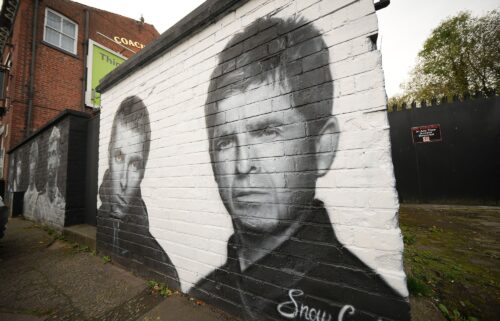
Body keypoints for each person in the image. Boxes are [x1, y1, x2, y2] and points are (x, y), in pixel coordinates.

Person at [189, 16, 411, 321]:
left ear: (322, 148)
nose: (242, 165)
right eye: (225, 141)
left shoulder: (371, 309)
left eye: (268, 132)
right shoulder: (203, 291)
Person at [98, 95, 180, 290]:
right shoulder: (99, 224)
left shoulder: (161, 267)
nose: (124, 181)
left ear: (143, 171)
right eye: (119, 157)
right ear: (108, 154)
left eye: (135, 164)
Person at [35, 126, 65, 226]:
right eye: (49, 155)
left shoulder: (62, 203)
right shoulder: (40, 200)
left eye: (54, 154)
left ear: (59, 158)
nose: (51, 163)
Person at [24, 141, 39, 219]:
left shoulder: (38, 196)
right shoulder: (25, 195)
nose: (32, 167)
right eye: (31, 161)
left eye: (34, 161)